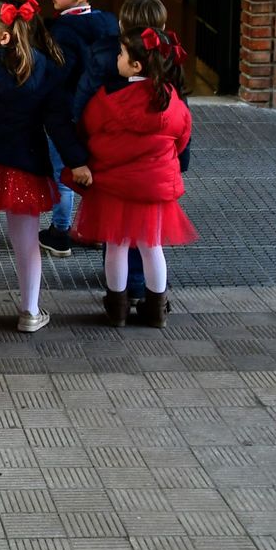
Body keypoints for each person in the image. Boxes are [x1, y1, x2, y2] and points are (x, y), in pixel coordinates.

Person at [0, 0, 89, 332]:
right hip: (26, 166)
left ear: (5, 37)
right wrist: (77, 161)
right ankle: (30, 311)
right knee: (26, 242)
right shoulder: (45, 70)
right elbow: (58, 123)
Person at [67, 26, 197, 328]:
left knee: (117, 246)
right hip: (153, 188)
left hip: (115, 188)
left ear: (136, 66)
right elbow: (181, 139)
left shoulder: (108, 98)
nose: (117, 57)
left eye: (121, 53)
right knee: (152, 247)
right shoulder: (172, 100)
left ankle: (118, 308)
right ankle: (155, 309)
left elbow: (88, 127)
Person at [112, 0, 190, 309]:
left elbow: (102, 131)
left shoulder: (117, 79)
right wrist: (178, 164)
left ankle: (120, 299)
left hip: (119, 178)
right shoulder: (172, 81)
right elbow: (183, 132)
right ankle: (154, 303)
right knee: (151, 241)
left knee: (118, 240)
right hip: (159, 178)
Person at [42, 0, 121, 258]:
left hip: (68, 113)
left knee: (65, 174)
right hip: (100, 113)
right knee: (95, 173)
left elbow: (57, 79)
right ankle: (98, 231)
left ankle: (60, 232)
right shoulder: (108, 23)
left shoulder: (62, 33)